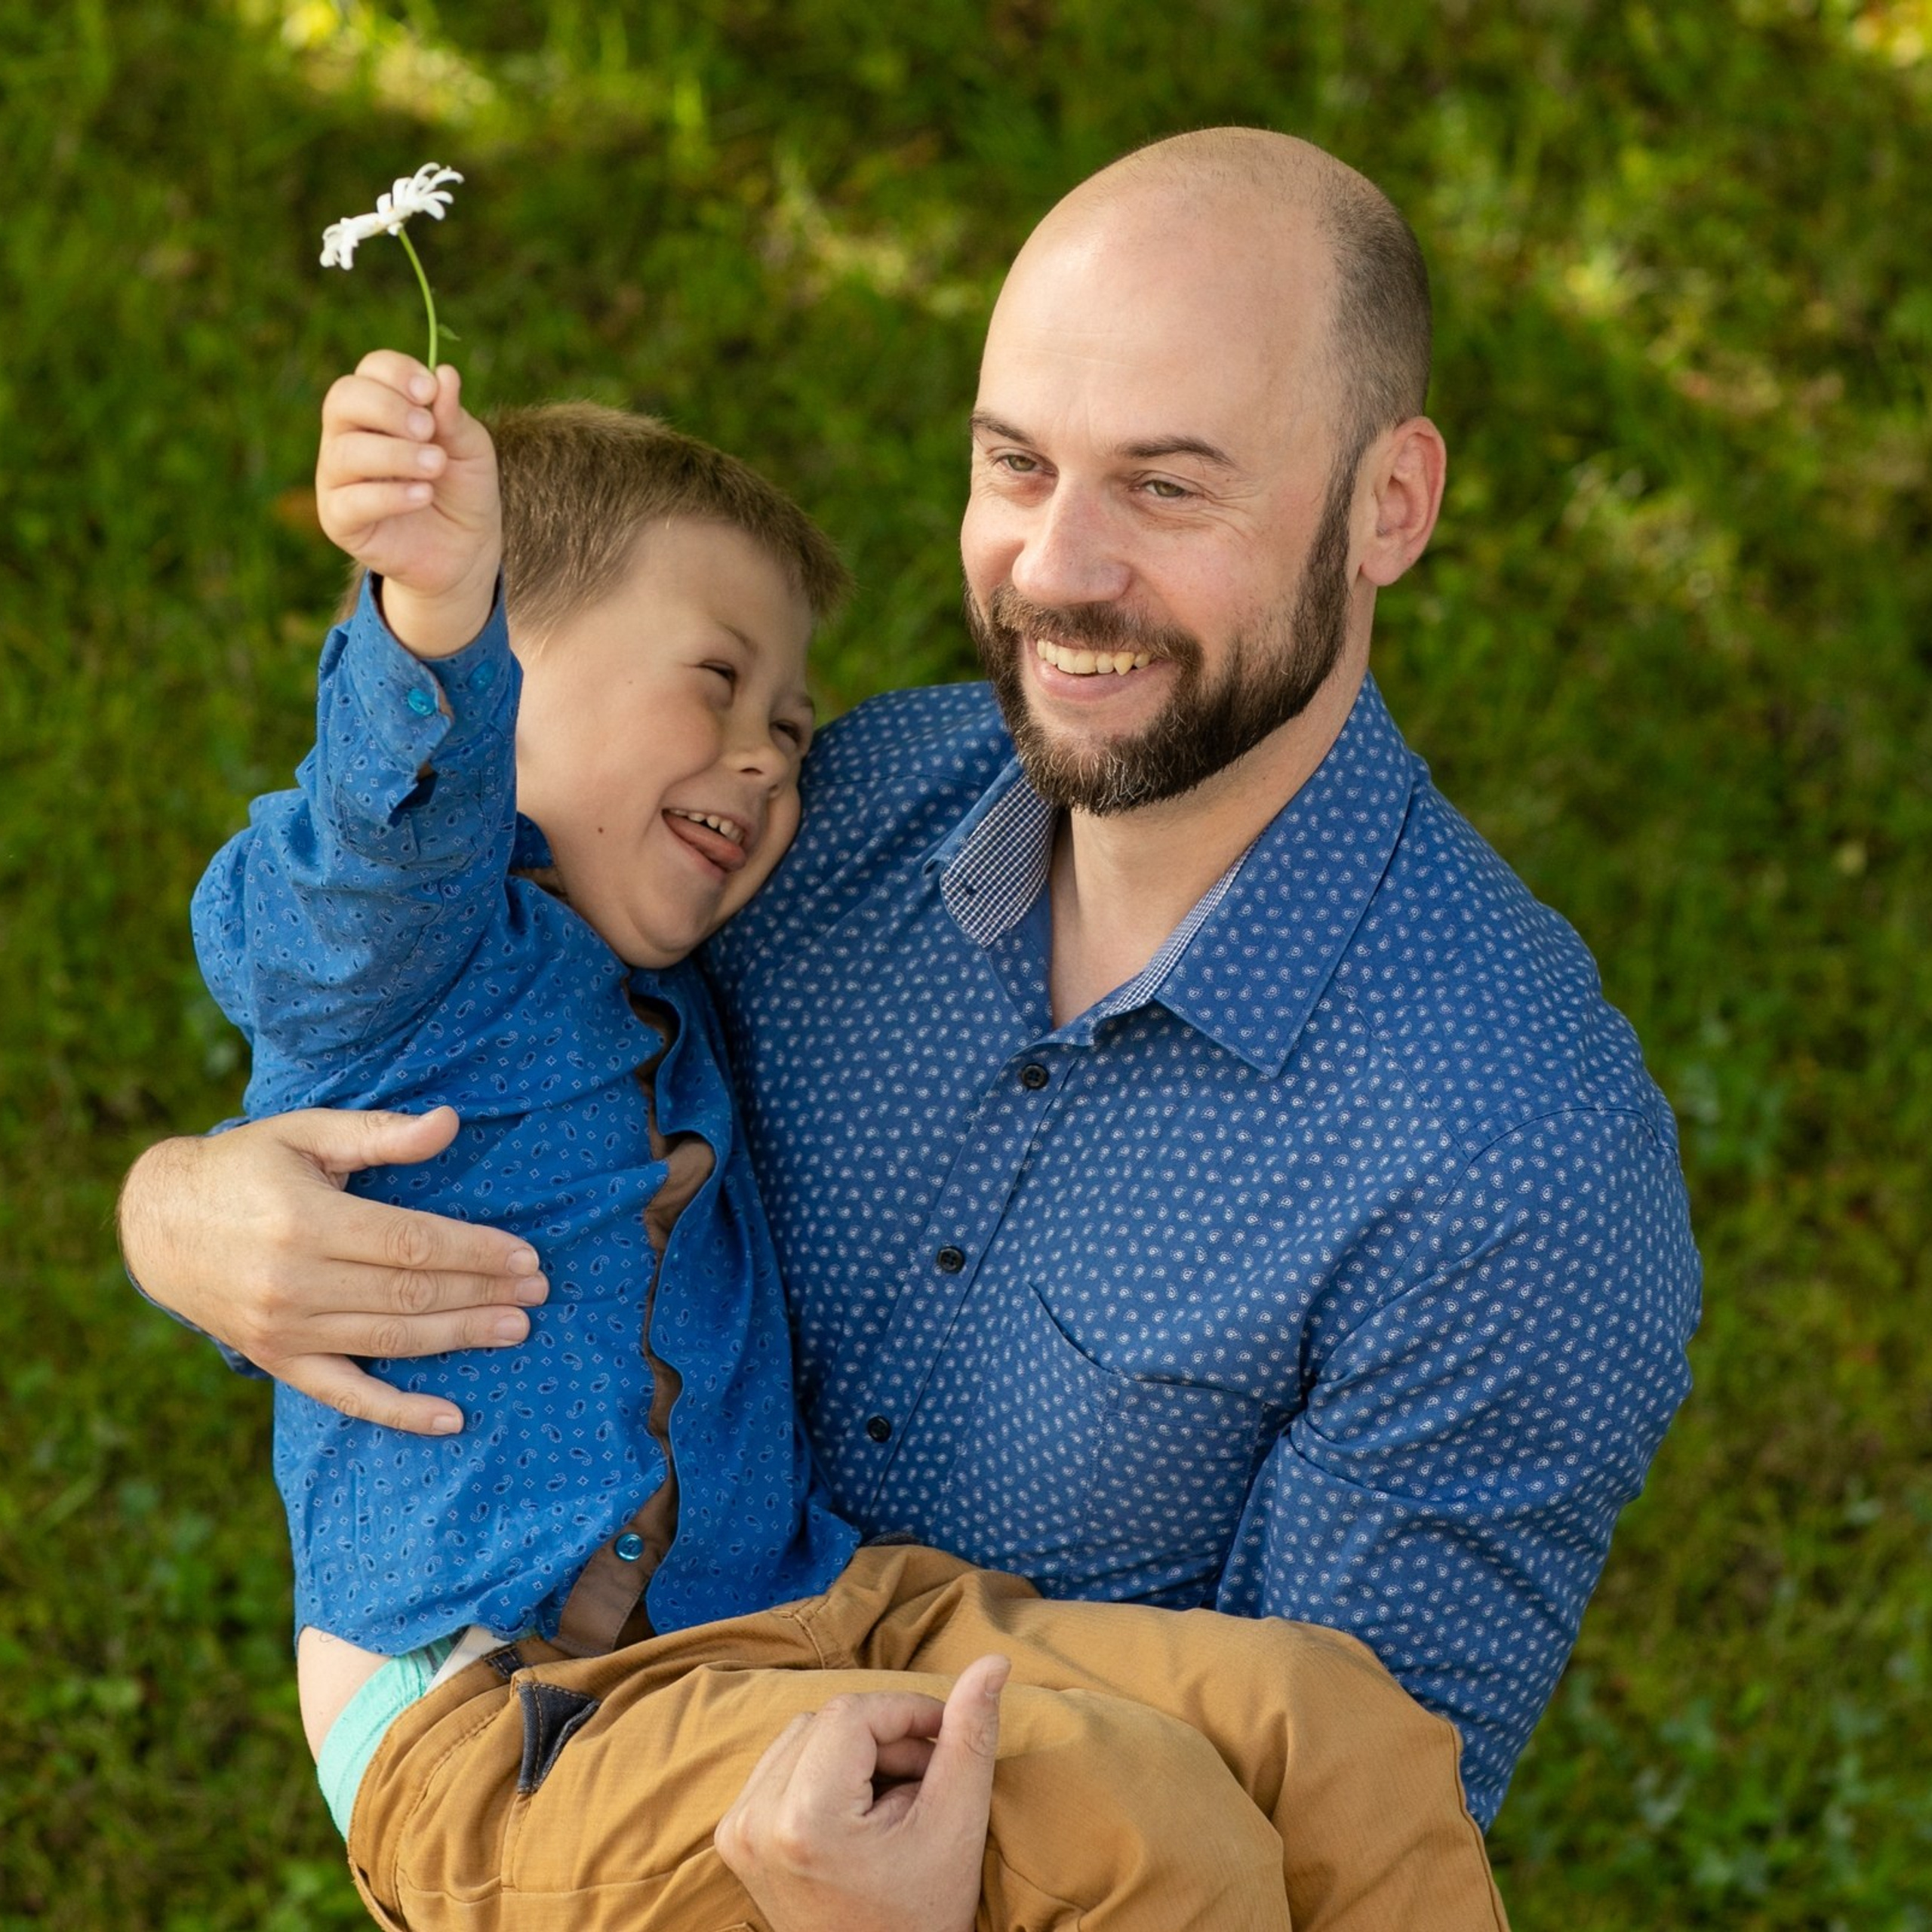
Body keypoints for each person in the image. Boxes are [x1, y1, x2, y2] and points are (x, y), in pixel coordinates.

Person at [122, 127, 1699, 1927]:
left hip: (902, 1760)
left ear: (1386, 506)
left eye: (1165, 488)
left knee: (1319, 1743)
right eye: (1015, 463)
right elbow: (459, 1023)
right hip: (584, 1748)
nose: (1059, 566)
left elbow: (1316, 1873)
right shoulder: (834, 819)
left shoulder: (1517, 1166)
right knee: (1124, 1806)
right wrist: (184, 1210)